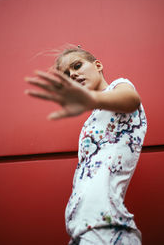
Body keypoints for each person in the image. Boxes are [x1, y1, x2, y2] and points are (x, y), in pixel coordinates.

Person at [25, 45, 147, 244]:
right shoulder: (93, 118)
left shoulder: (120, 86)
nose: (72, 74)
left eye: (77, 65)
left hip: (104, 223)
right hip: (82, 224)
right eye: (67, 74)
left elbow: (132, 100)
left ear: (97, 65)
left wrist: (92, 98)